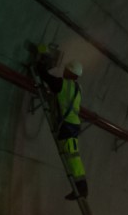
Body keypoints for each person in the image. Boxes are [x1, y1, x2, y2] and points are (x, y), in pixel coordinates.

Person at [35, 44, 88, 200]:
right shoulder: (79, 88)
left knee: (73, 156)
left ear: (69, 71)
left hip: (67, 126)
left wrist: (41, 61)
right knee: (73, 155)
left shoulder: (62, 84)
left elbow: (44, 76)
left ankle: (82, 187)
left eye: (66, 69)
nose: (64, 71)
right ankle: (80, 187)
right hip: (73, 124)